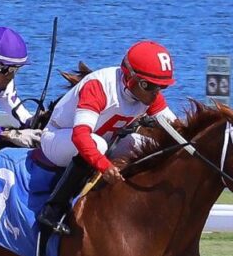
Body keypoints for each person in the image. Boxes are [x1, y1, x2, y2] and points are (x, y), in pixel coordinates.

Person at [36, 40, 179, 235]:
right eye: (150, 86)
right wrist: (105, 166)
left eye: (161, 88)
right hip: (57, 139)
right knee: (97, 143)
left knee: (147, 145)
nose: (156, 94)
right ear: (131, 79)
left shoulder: (147, 95)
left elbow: (177, 129)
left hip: (99, 141)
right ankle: (52, 210)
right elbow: (80, 137)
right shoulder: (99, 87)